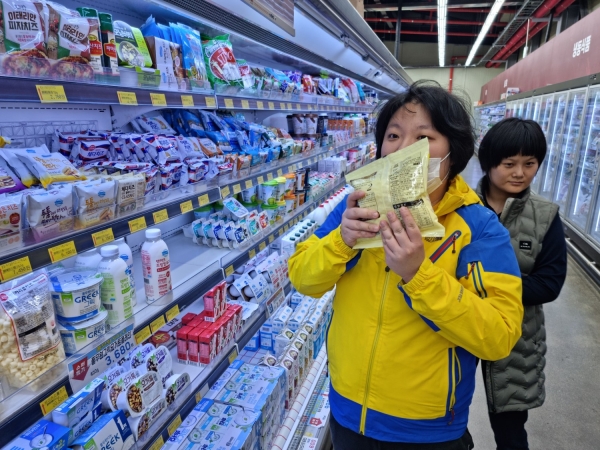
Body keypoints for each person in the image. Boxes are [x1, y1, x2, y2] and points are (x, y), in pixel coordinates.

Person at [288, 80, 524, 450]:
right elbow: (303, 278)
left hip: (426, 430)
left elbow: (499, 336)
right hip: (347, 414)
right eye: (394, 135)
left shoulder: (478, 228)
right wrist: (341, 241)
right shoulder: (357, 210)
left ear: (453, 152)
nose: (403, 149)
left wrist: (419, 275)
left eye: (424, 137)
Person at [476, 118, 567, 450]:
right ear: (488, 163)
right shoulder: (462, 207)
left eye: (529, 163)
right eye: (509, 164)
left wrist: (480, 288)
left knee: (511, 433)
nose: (520, 173)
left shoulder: (545, 216)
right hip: (457, 330)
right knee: (445, 422)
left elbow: (549, 283)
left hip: (517, 336)